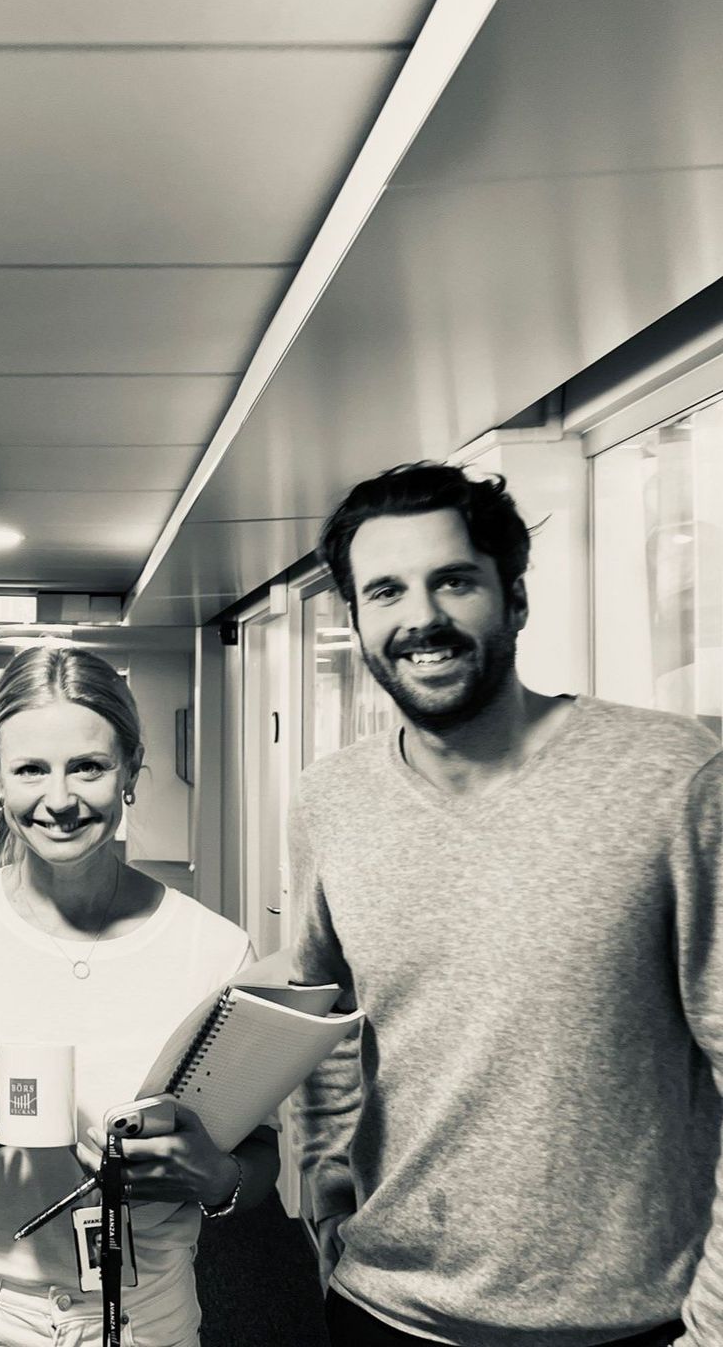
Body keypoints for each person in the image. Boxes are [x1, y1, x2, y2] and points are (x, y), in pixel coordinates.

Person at [290, 462, 723, 1346]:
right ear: (358, 622)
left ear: (515, 599)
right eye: (386, 591)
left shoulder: (672, 775)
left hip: (630, 1325)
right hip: (384, 1311)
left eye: (454, 581)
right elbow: (318, 1018)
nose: (422, 617)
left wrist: (713, 1323)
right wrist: (327, 1195)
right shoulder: (329, 799)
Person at [0, 645, 278, 1347]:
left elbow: (259, 1158)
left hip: (145, 1319)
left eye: (88, 766)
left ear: (131, 771)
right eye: (30, 769)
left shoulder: (214, 951)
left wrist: (211, 1177)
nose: (59, 801)